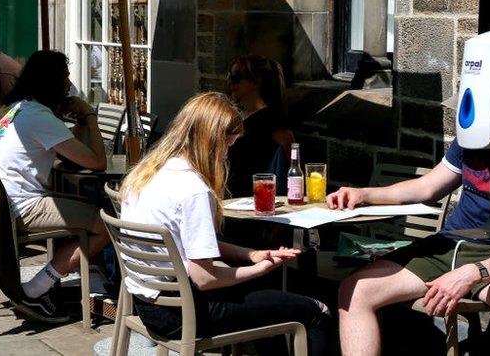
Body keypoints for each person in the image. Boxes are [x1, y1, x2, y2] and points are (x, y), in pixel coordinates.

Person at [120, 92, 332, 355]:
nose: (228, 153)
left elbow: (186, 243)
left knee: (264, 297)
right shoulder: (194, 190)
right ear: (212, 141)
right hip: (183, 315)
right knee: (316, 311)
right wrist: (260, 269)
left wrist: (250, 255)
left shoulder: (147, 173)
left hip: (149, 304)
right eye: (229, 144)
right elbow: (205, 279)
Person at [332, 139, 490, 356]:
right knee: (355, 291)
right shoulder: (472, 135)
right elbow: (427, 187)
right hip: (452, 243)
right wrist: (364, 194)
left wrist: (474, 272)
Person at [0, 50, 109, 322]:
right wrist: (90, 115)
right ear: (51, 82)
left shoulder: (12, 109)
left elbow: (73, 155)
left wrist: (79, 122)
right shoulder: (38, 117)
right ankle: (37, 289)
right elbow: (97, 162)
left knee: (77, 210)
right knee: (107, 224)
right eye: (65, 77)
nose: (68, 84)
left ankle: (67, 276)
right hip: (18, 208)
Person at [226, 55, 294, 197]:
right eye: (230, 76)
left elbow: (290, 157)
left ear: (256, 82)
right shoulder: (232, 116)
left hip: (255, 197)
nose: (231, 82)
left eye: (237, 77)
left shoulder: (271, 119)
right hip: (231, 193)